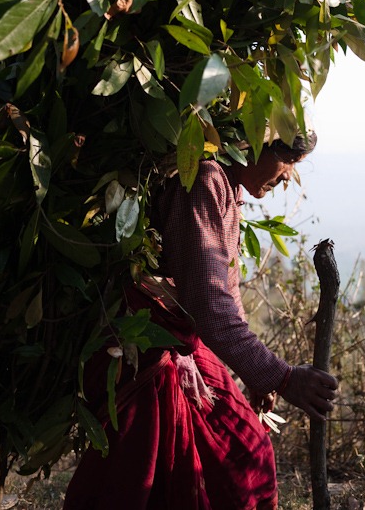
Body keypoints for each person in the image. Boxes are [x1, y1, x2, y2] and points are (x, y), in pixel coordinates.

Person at [64, 132, 338, 510]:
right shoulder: (204, 180)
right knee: (162, 480)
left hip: (177, 346)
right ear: (253, 144)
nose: (288, 176)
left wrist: (258, 373)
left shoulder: (224, 186)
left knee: (240, 456)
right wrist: (282, 376)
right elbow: (209, 306)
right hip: (145, 350)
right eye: (288, 160)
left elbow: (222, 291)